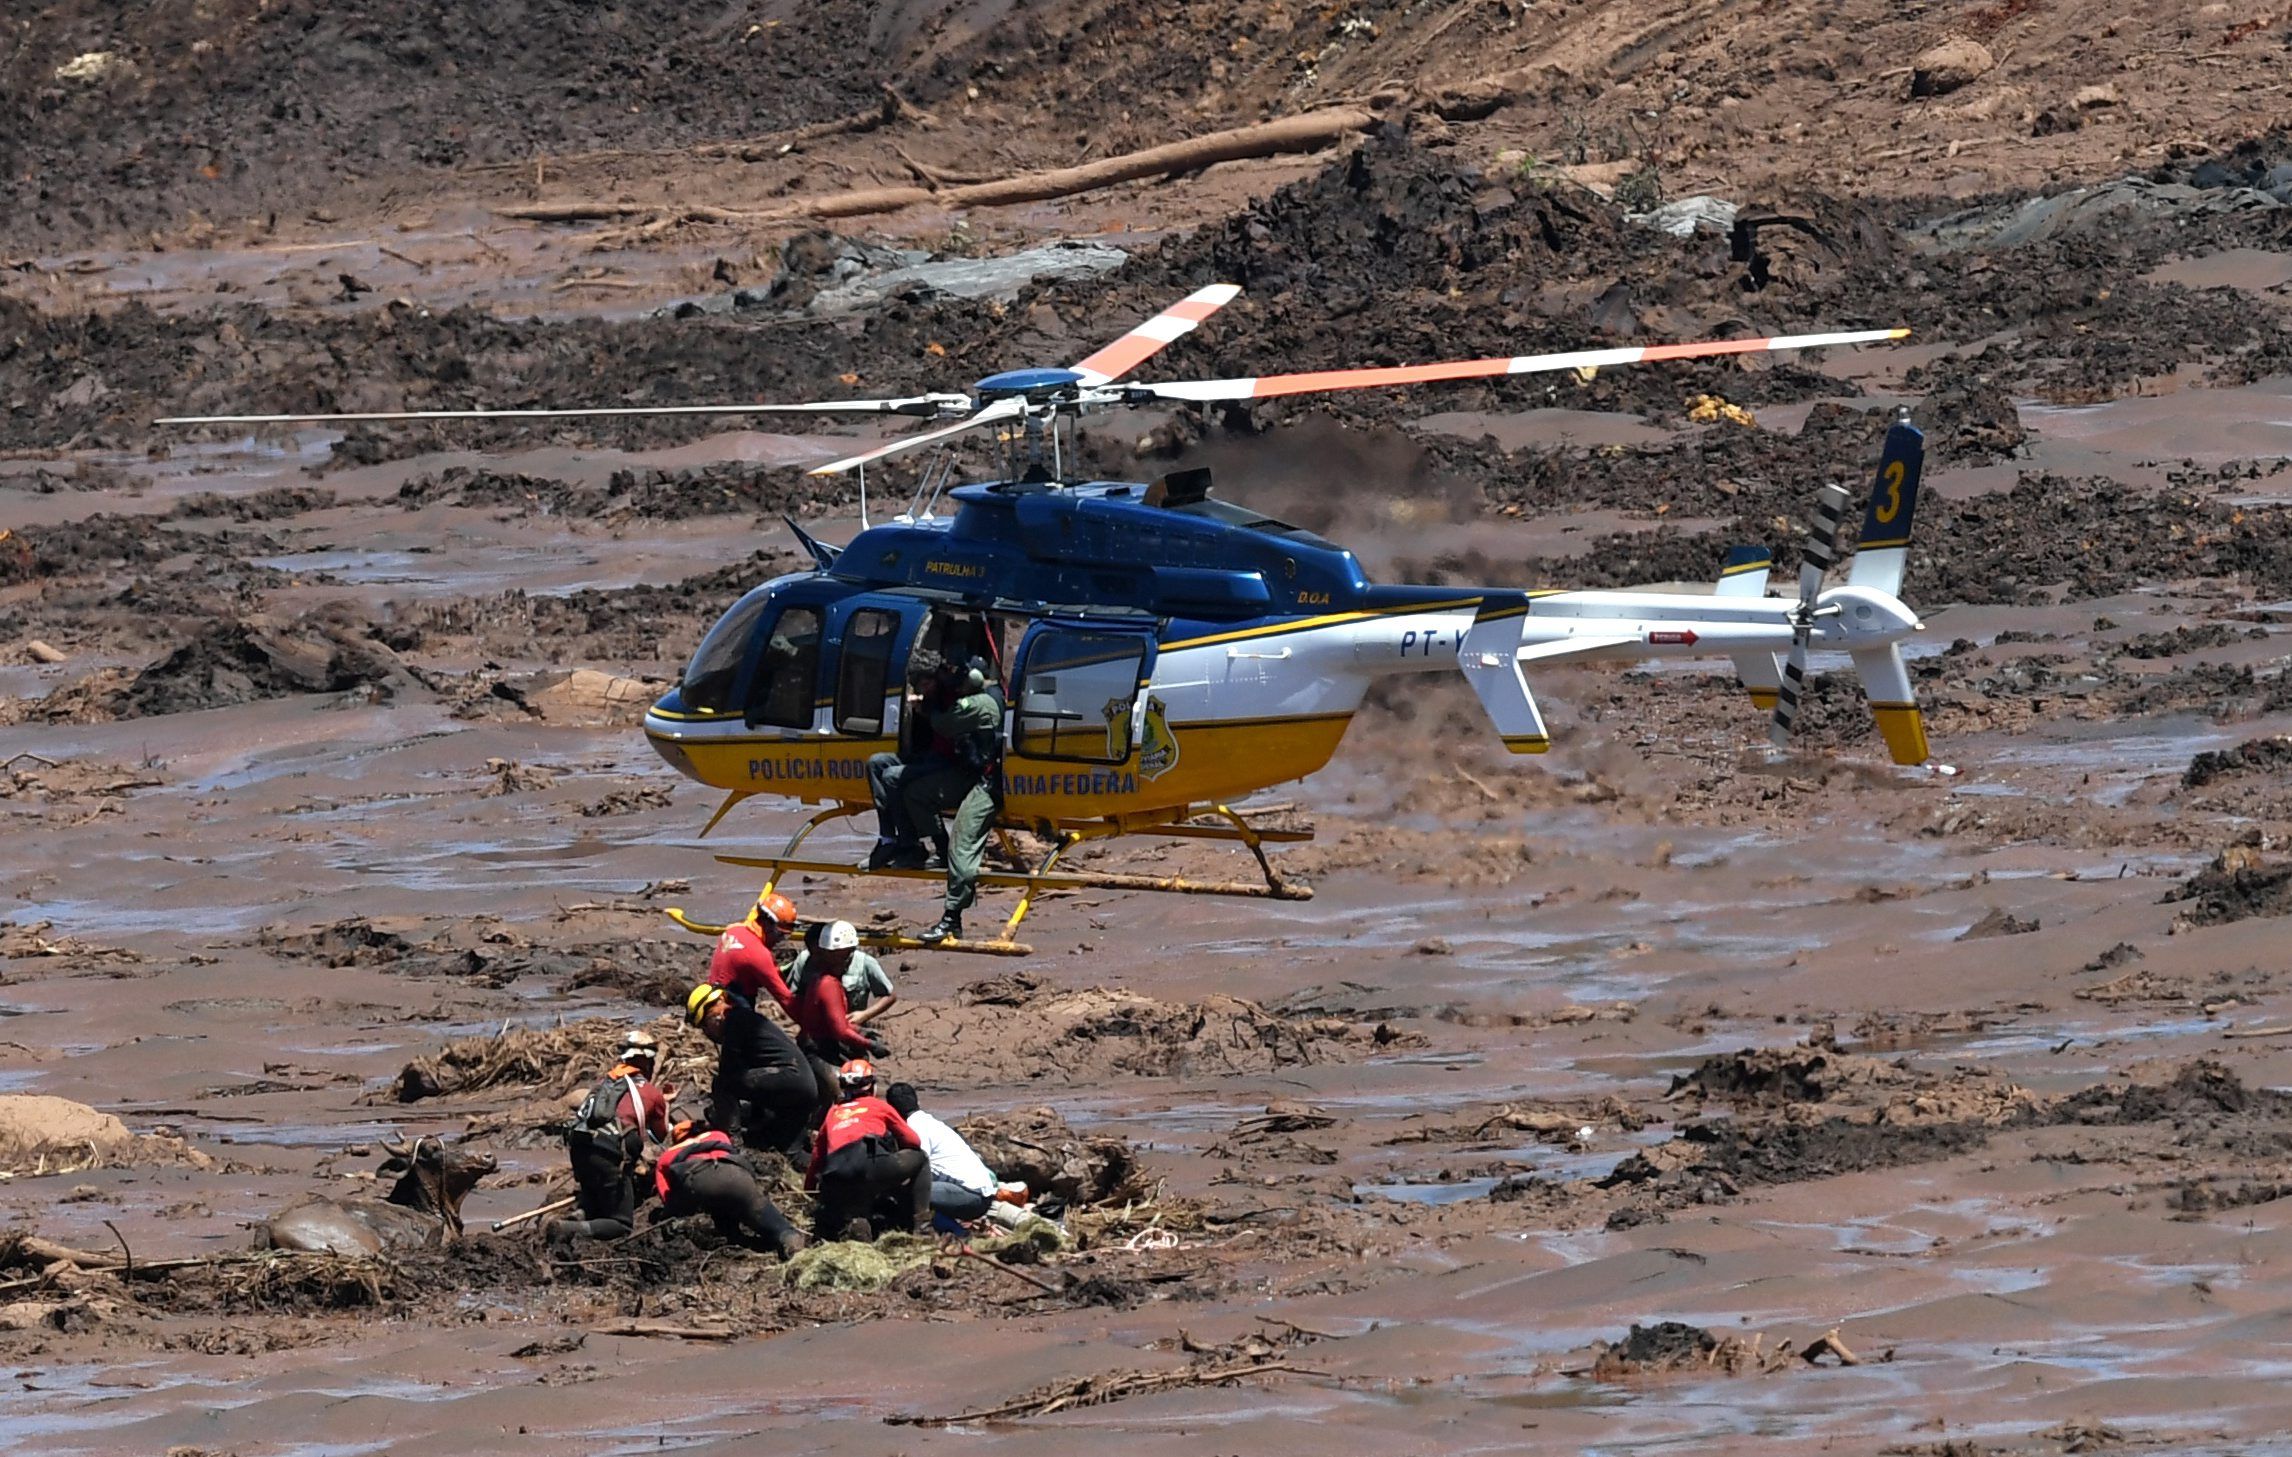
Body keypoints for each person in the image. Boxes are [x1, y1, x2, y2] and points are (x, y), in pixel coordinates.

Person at [896, 655, 1005, 945]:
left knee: (963, 841)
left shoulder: (981, 703)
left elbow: (944, 724)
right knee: (916, 793)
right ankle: (939, 849)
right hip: (971, 773)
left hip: (989, 783)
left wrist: (926, 707)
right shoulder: (986, 696)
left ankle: (951, 918)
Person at [547, 1029, 671, 1247]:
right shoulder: (652, 1092)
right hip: (608, 1152)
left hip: (580, 1148)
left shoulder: (607, 1083)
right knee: (621, 1223)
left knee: (597, 1197)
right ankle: (569, 1228)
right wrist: (665, 1105)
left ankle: (582, 1214)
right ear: (646, 1061)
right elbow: (660, 1135)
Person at [804, 1059, 930, 1242]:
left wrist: (808, 1189)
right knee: (921, 1159)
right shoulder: (878, 1106)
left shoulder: (834, 1112)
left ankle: (860, 1226)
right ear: (871, 1085)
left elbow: (817, 1155)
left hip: (835, 1176)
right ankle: (923, 1228)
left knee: (856, 1199)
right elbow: (913, 1140)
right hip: (868, 1162)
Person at [686, 983, 816, 1160]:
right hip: (803, 1090)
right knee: (790, 1153)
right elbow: (755, 1079)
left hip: (790, 1079)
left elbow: (729, 1073)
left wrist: (721, 1118)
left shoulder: (735, 1021)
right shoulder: (746, 1019)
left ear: (715, 1011)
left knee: (723, 1083)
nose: (707, 1031)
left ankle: (733, 1147)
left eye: (705, 1024)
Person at [651, 1124, 807, 1258]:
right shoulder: (718, 1134)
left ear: (677, 1139)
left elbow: (666, 1195)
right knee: (756, 1208)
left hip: (699, 1180)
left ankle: (719, 1233)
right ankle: (788, 1237)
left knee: (678, 1215)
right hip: (736, 1175)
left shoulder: (667, 1155)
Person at [865, 653, 960, 871]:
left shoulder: (953, 696)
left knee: (892, 777)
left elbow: (949, 724)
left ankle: (912, 844)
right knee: (876, 763)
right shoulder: (933, 697)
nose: (924, 690)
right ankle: (888, 838)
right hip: (931, 756)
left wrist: (926, 710)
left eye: (927, 684)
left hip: (950, 762)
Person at [883, 1082, 998, 1224]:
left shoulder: (915, 1129)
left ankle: (955, 1232)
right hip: (980, 1192)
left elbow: (915, 1169)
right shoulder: (929, 1121)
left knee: (910, 1194)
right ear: (917, 1101)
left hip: (973, 1197)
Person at [785, 920, 897, 1028]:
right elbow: (792, 996)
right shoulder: (805, 960)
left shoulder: (865, 963)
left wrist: (864, 1015)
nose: (829, 960)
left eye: (839, 956)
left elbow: (890, 995)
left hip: (850, 1026)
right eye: (827, 954)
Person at [707, 891, 799, 1015]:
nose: (780, 940)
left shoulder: (733, 930)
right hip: (733, 1013)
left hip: (711, 1004)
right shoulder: (758, 953)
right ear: (767, 924)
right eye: (780, 934)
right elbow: (786, 999)